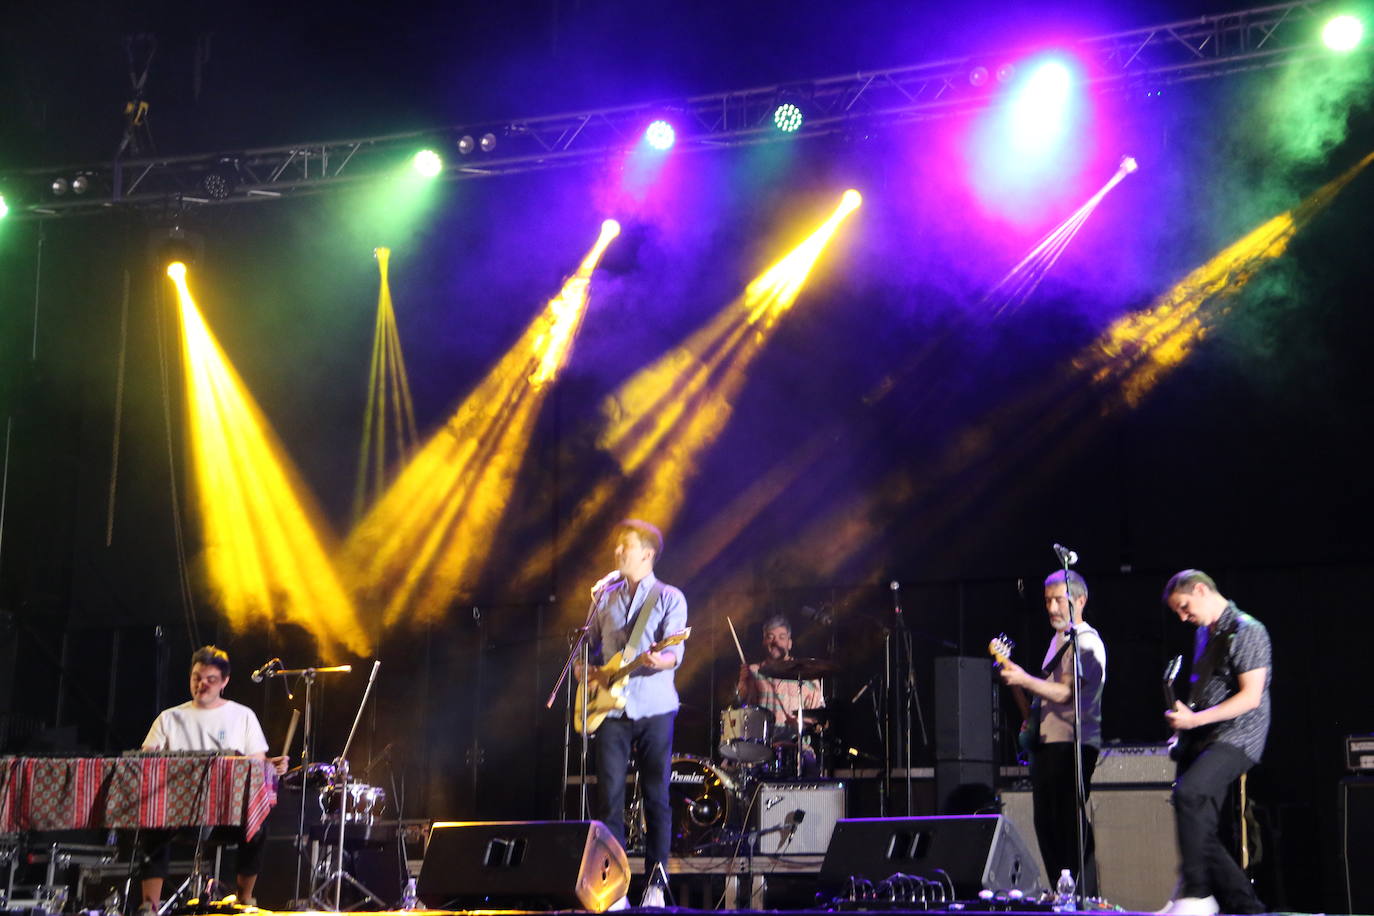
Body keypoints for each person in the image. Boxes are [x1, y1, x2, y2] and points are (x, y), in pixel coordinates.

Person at [137, 645, 289, 914]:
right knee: (151, 822)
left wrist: (271, 766)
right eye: (197, 677)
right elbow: (145, 759)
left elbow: (257, 763)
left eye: (210, 680)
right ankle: (149, 906)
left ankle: (245, 899)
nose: (202, 684)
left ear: (224, 682)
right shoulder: (169, 718)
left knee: (257, 825)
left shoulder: (242, 716)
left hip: (225, 812)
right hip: (177, 812)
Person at [583, 520, 687, 908]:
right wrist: (586, 672)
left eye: (625, 547)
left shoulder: (668, 597)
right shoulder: (605, 597)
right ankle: (615, 889)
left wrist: (657, 659)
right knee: (608, 800)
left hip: (655, 710)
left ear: (647, 553)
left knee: (655, 797)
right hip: (611, 710)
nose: (617, 553)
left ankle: (656, 885)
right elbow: (591, 647)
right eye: (616, 547)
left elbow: (674, 654)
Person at [1157, 570, 1270, 916]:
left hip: (1239, 736)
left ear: (1202, 591)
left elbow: (1251, 697)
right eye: (1178, 612)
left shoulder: (1247, 631)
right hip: (1206, 736)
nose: (1183, 617)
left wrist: (1195, 721)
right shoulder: (1204, 634)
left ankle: (1196, 892)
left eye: (1185, 607)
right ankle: (1246, 907)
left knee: (1189, 794)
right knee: (1198, 826)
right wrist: (1185, 724)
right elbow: (1205, 693)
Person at [997, 570, 1106, 897]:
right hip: (1048, 744)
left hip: (1074, 742)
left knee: (1069, 825)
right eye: (1047, 601)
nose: (1052, 608)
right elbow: (1044, 698)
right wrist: (1017, 685)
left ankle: (1084, 896)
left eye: (1060, 600)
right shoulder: (1057, 640)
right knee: (1046, 824)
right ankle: (1064, 893)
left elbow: (1065, 693)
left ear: (1080, 601)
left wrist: (1023, 678)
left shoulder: (1088, 643)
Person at [736, 615, 825, 777]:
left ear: (790, 643)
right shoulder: (753, 671)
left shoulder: (809, 677)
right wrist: (743, 681)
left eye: (781, 637)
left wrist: (804, 722)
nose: (775, 642)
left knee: (812, 770)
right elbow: (742, 706)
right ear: (764, 642)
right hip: (761, 749)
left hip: (797, 748)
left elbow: (819, 719)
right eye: (770, 637)